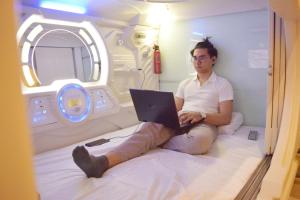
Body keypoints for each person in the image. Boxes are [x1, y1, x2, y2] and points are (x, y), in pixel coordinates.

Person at [72, 38, 233, 178]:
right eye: (195, 58)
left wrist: (201, 115)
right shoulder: (186, 83)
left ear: (213, 59)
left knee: (198, 142)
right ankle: (101, 163)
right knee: (147, 127)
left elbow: (225, 117)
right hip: (181, 119)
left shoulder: (223, 84)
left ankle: (152, 141)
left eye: (202, 58)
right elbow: (175, 108)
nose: (197, 62)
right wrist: (160, 113)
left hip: (205, 122)